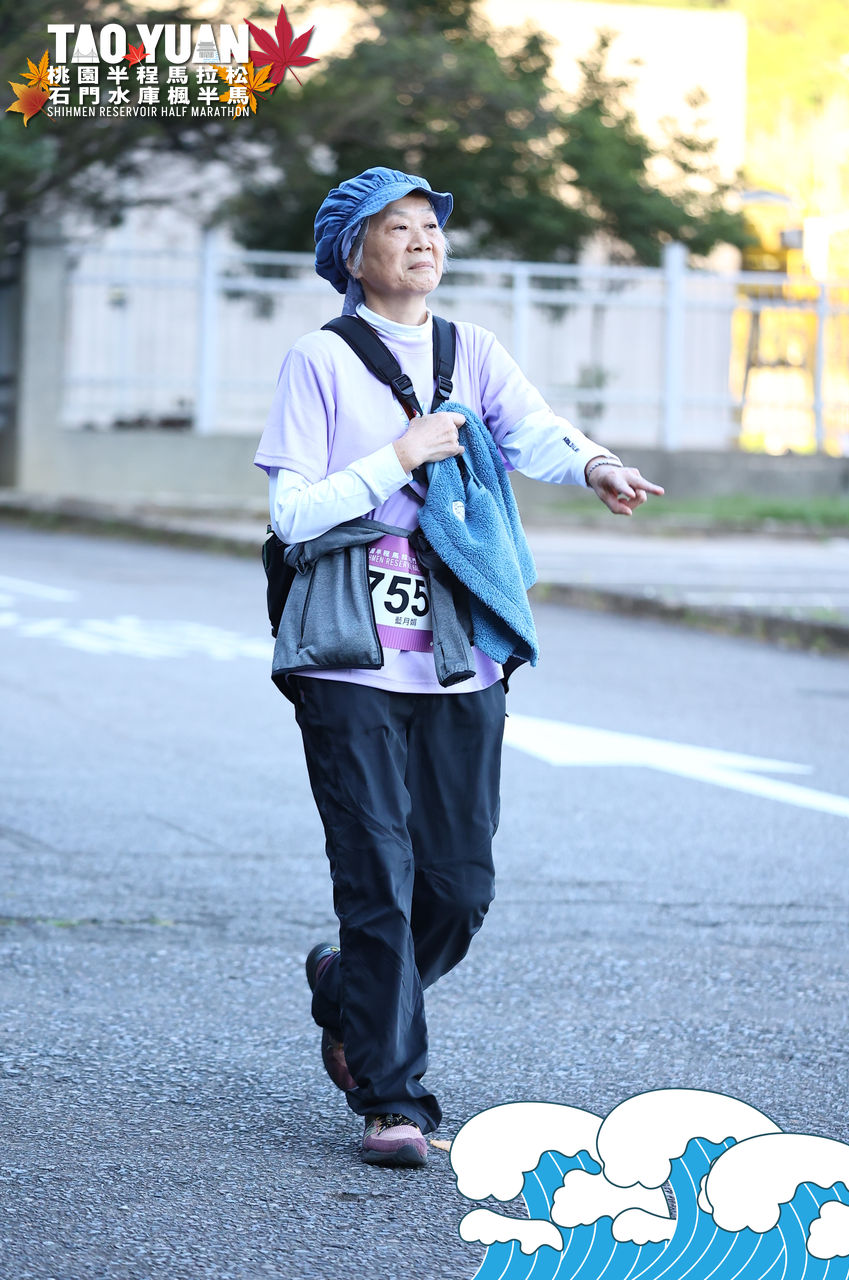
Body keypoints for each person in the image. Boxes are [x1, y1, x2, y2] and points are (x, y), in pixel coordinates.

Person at [254, 166, 663, 1168]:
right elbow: (293, 513)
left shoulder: (469, 349)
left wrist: (596, 464)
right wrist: (397, 456)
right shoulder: (318, 360)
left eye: (429, 225)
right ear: (352, 255)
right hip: (348, 655)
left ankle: (347, 986)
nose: (421, 240)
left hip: (458, 652)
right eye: (395, 227)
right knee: (378, 876)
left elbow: (534, 431)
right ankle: (392, 1101)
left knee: (459, 886)